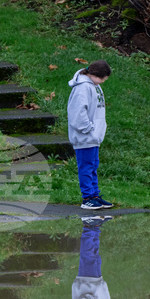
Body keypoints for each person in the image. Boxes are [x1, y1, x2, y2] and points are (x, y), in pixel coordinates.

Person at [67, 60, 114, 210]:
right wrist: (88, 129)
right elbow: (77, 113)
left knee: (93, 166)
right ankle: (87, 197)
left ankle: (94, 195)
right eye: (103, 78)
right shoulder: (82, 88)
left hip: (93, 137)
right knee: (86, 167)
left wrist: (96, 131)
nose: (103, 81)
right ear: (94, 75)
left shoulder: (95, 86)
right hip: (84, 137)